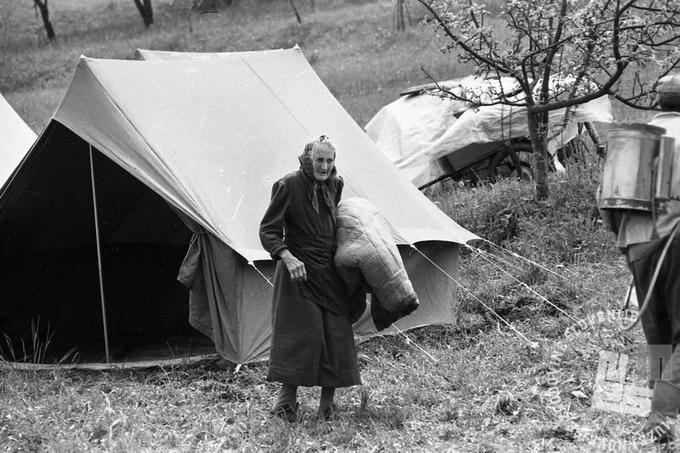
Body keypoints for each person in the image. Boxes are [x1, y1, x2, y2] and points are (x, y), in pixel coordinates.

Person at [599, 74, 680, 442]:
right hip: (675, 241)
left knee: (659, 332)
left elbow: (607, 201)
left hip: (637, 245)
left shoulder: (637, 137)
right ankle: (661, 418)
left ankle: (657, 405)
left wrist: (628, 245)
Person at [259, 136, 361, 422]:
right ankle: (285, 403)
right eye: (319, 160)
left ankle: (327, 406)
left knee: (336, 333)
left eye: (329, 160)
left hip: (328, 270)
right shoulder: (287, 185)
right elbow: (268, 231)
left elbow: (330, 222)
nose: (324, 166)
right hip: (298, 270)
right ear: (307, 159)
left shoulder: (335, 184)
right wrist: (288, 258)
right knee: (301, 335)